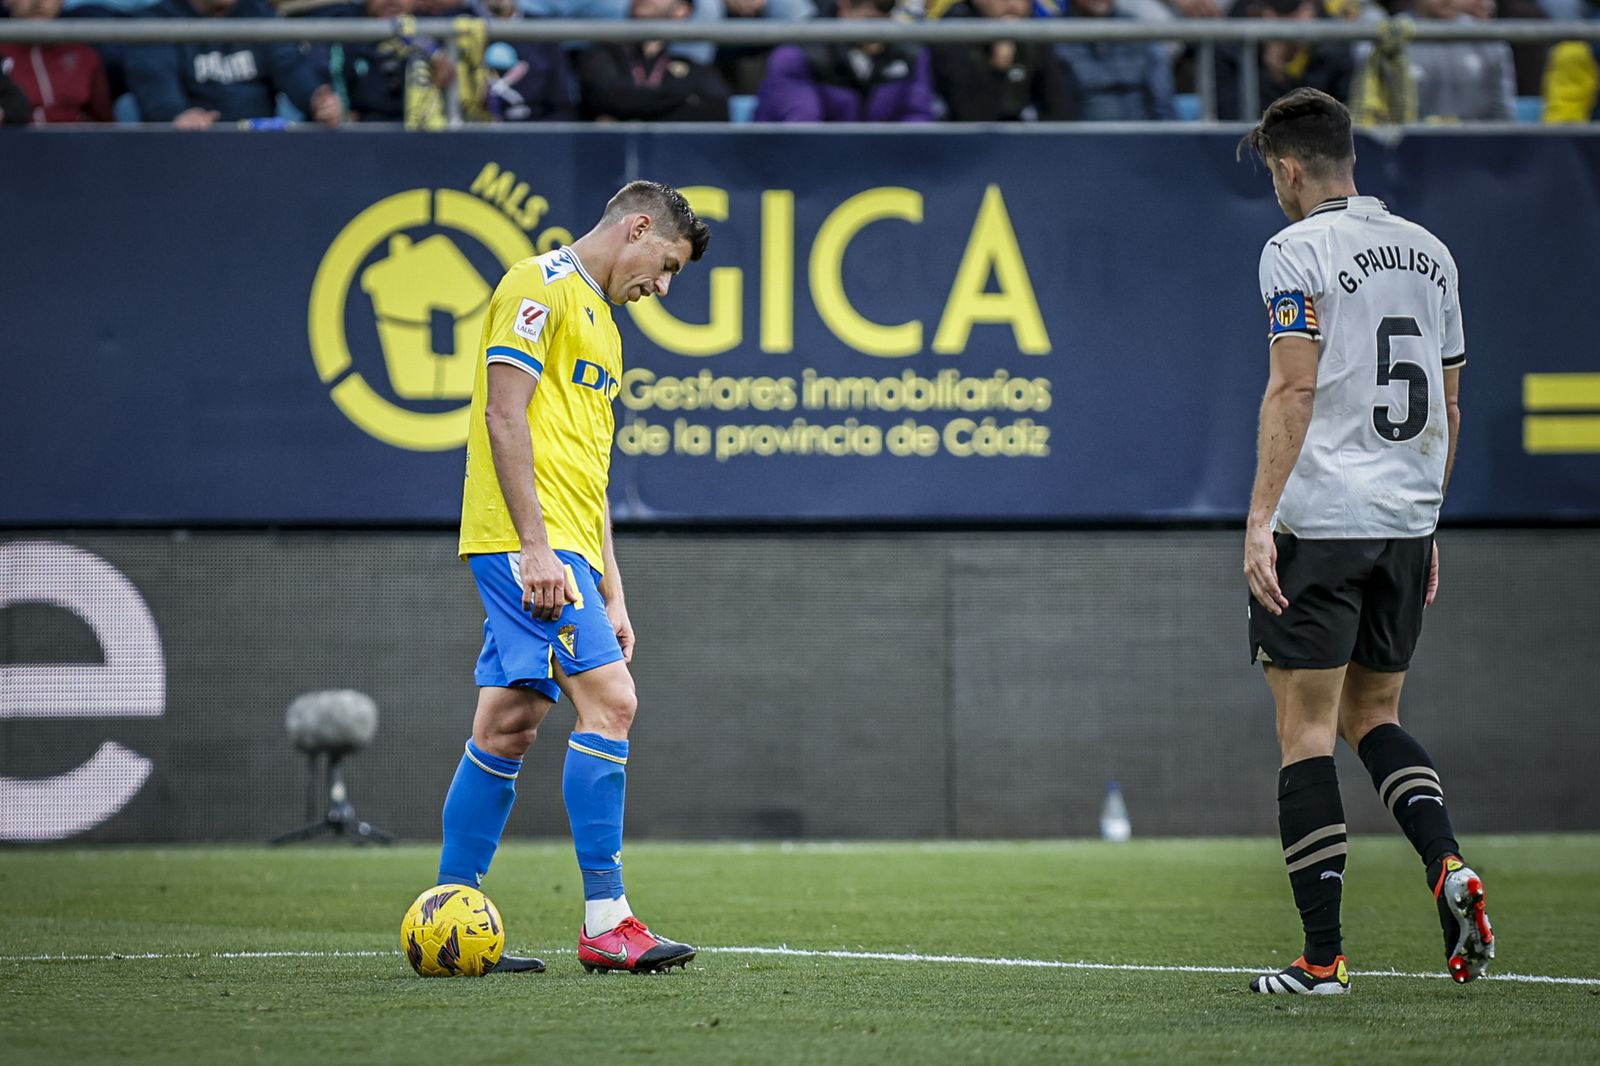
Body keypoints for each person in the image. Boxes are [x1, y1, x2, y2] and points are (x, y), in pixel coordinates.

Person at [1236, 88, 1494, 995]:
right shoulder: (1432, 253)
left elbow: (1293, 391)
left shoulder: (1293, 250)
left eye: (1273, 171)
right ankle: (1447, 864)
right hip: (1405, 522)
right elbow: (1451, 405)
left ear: (1291, 167)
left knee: (1306, 732)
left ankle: (1322, 960)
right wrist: (1425, 518)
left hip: (1326, 519)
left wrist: (1262, 518)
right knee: (1373, 717)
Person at [438, 181, 710, 975]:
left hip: (568, 552)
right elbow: (502, 415)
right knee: (614, 702)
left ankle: (451, 919)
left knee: (508, 724)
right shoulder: (537, 285)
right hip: (529, 548)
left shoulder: (605, 324)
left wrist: (612, 587)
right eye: (664, 265)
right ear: (636, 228)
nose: (661, 287)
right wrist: (535, 548)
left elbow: (590, 472)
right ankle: (607, 922)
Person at [125, 0, 342, 128]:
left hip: (256, 149)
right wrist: (177, 116)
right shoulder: (157, 20)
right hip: (185, 150)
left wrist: (318, 99)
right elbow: (156, 85)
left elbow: (290, 66)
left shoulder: (257, 13)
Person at [754, 0, 935, 122]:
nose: (880, 31)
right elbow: (802, 129)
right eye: (870, 20)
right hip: (799, 170)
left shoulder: (910, 52)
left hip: (880, 168)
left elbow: (918, 117)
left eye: (887, 19)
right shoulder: (796, 53)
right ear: (844, 8)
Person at [575, 0, 730, 121]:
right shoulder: (603, 53)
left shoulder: (692, 68)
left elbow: (716, 110)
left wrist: (629, 117)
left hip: (669, 156)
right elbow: (607, 98)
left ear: (681, 10)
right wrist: (686, 99)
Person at [931, 0, 1081, 121]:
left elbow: (1061, 110)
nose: (1012, 4)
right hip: (963, 147)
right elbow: (972, 117)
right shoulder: (952, 33)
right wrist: (999, 68)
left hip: (1022, 145)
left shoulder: (1033, 30)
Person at [1214, 0, 1353, 122]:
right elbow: (1231, 118)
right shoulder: (1234, 46)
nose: (1276, 19)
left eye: (1290, 6)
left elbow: (1337, 124)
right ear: (1257, 11)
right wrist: (1271, 74)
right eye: (1271, 7)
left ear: (1311, 10)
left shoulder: (1334, 49)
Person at [1053, 0, 1176, 121]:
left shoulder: (1139, 30)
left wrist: (1169, 137)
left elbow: (1162, 103)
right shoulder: (1052, 34)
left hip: (1142, 135)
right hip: (1079, 137)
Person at [0, 0, 114, 123]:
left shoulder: (85, 56)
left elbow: (105, 125)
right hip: (11, 141)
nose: (38, 2)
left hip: (76, 141)